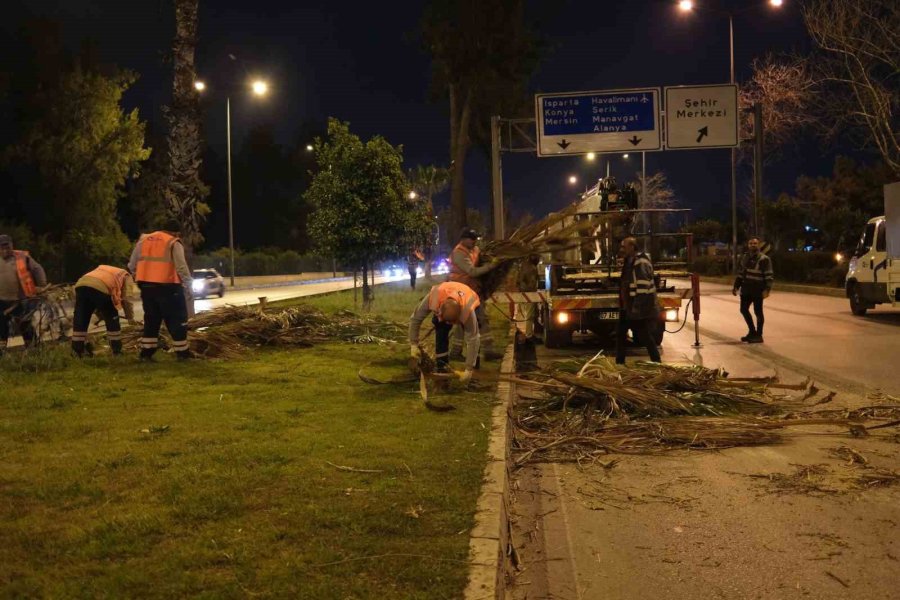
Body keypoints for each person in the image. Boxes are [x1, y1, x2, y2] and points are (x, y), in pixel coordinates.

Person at [128, 222, 193, 360]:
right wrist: (188, 285)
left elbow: (132, 265)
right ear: (176, 233)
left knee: (151, 320)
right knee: (176, 319)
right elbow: (181, 267)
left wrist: (140, 277)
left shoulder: (143, 240)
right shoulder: (173, 242)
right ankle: (183, 353)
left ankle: (146, 354)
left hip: (147, 288)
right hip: (169, 288)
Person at [409, 281, 480, 386]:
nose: (450, 325)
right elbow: (415, 318)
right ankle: (442, 372)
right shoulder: (434, 298)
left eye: (452, 322)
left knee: (474, 337)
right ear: (440, 311)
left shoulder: (467, 309)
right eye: (447, 321)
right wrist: (413, 344)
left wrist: (469, 368)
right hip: (444, 297)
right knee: (441, 333)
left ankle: (473, 377)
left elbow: (473, 339)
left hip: (466, 295)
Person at [448, 228, 502, 361]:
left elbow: (479, 259)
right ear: (463, 239)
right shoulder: (459, 253)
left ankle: (483, 351)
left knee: (478, 320)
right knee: (470, 320)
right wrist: (492, 266)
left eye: (475, 239)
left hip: (472, 291)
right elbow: (472, 272)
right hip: (462, 292)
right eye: (472, 239)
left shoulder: (475, 249)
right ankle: (483, 352)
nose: (474, 241)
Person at [71, 265, 137, 357]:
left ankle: (77, 351)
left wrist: (97, 311)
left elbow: (92, 291)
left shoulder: (103, 268)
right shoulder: (126, 276)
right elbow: (127, 299)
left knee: (81, 319)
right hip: (101, 288)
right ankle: (116, 351)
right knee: (112, 318)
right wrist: (130, 317)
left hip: (81, 286)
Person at [616, 237, 661, 365]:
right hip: (628, 306)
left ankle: (657, 361)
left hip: (637, 307)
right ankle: (619, 363)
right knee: (620, 335)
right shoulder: (629, 261)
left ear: (632, 247)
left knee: (645, 335)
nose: (621, 249)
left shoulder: (641, 262)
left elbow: (643, 287)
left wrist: (636, 308)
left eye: (624, 247)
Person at [0, 234, 47, 355]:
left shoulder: (22, 257)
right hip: (1, 300)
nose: (5, 249)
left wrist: (42, 285)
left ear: (11, 245)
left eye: (7, 245)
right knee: (1, 327)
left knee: (24, 324)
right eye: (2, 246)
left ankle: (33, 349)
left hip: (20, 299)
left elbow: (37, 269)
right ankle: (2, 351)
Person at [733, 237, 774, 343]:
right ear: (748, 245)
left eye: (755, 243)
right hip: (746, 289)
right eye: (751, 243)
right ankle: (752, 332)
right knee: (743, 310)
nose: (753, 245)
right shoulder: (745, 257)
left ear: (758, 245)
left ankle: (759, 335)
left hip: (758, 289)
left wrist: (767, 289)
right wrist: (736, 286)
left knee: (758, 312)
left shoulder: (764, 259)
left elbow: (769, 275)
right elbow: (741, 273)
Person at [515, 255, 540, 344]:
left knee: (531, 314)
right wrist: (529, 291)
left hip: (527, 293)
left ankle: (530, 334)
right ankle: (529, 335)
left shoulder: (524, 265)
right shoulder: (530, 268)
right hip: (528, 293)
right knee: (530, 315)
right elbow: (530, 282)